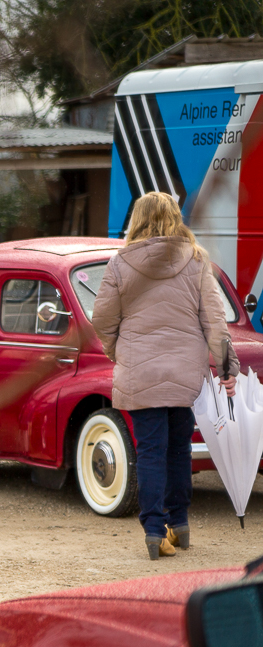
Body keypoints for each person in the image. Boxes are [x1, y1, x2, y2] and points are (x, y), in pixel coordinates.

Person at [92, 191, 238, 560]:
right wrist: (226, 369)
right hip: (185, 374)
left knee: (151, 453)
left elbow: (102, 321)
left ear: (137, 219)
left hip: (140, 374)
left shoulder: (119, 264)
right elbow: (215, 322)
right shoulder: (196, 260)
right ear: (176, 217)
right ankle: (181, 524)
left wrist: (117, 352)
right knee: (179, 450)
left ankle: (155, 531)